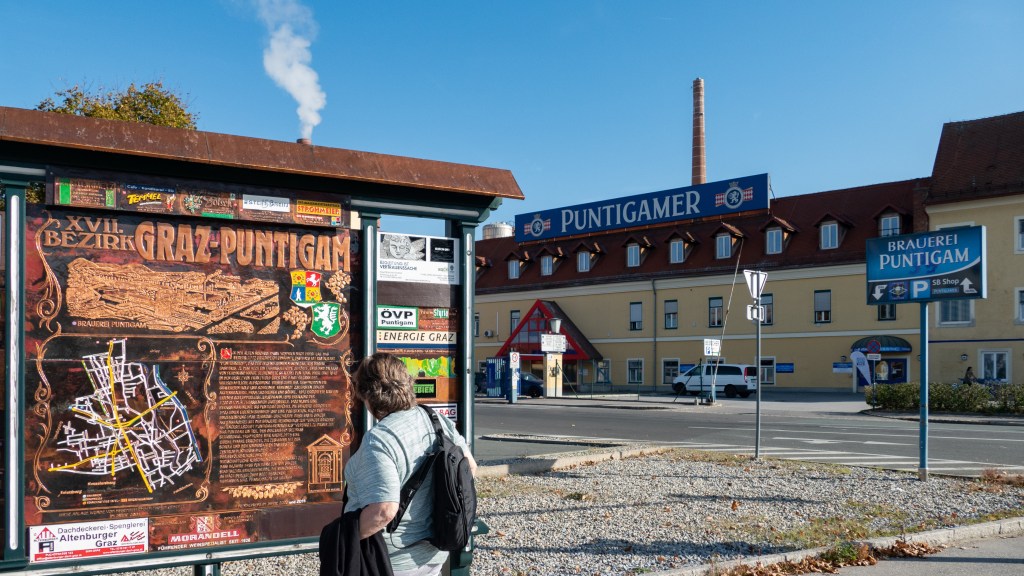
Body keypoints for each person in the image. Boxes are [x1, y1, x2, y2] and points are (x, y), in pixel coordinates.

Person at [344, 353, 477, 576]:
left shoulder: (380, 439)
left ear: (368, 393)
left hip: (391, 561)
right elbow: (469, 467)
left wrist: (343, 536)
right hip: (433, 553)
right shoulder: (435, 419)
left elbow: (384, 510)